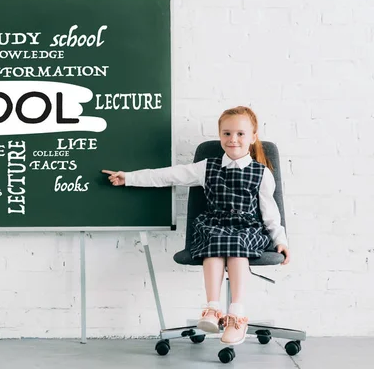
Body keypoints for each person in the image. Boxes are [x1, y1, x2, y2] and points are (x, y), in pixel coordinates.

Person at [102, 106, 290, 346]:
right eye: (227, 133)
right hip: (215, 224)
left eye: (241, 134)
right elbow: (168, 175)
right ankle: (212, 309)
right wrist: (128, 177)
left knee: (236, 244)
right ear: (220, 135)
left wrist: (280, 240)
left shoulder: (261, 173)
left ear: (253, 137)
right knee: (214, 241)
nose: (233, 139)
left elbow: (271, 213)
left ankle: (237, 315)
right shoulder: (206, 166)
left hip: (248, 228)